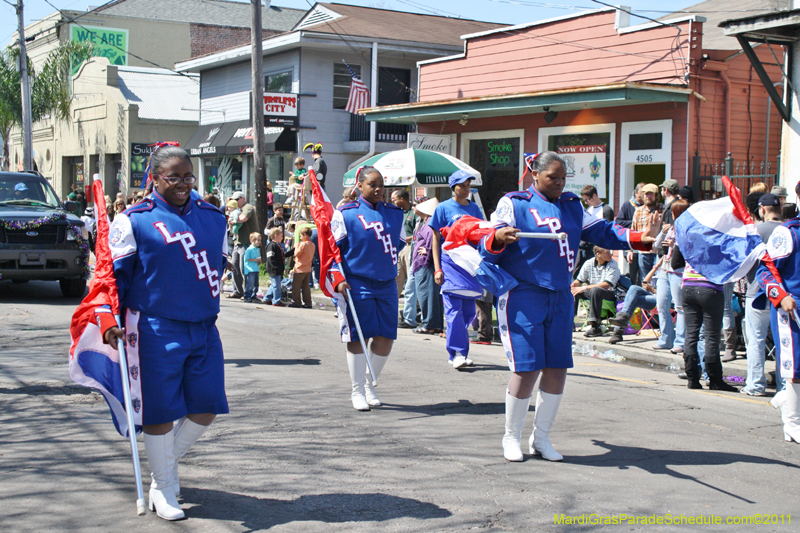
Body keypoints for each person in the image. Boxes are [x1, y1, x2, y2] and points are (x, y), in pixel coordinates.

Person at [479, 151, 658, 462]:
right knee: (527, 368)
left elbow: (604, 232)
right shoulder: (515, 203)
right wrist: (498, 236)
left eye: (564, 178)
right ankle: (511, 437)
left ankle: (542, 438)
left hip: (562, 295)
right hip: (523, 294)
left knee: (557, 367)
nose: (560, 183)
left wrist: (639, 237)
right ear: (535, 174)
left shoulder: (573, 205)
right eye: (553, 178)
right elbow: (487, 243)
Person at [100, 145, 228, 520]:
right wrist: (109, 319)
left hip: (204, 326)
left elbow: (216, 267)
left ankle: (162, 472)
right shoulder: (132, 220)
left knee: (206, 407)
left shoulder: (214, 217)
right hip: (154, 326)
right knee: (160, 411)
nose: (183, 184)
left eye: (188, 176)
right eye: (173, 177)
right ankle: (165, 488)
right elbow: (111, 279)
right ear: (154, 179)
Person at [330, 166, 404, 410]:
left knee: (386, 336)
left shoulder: (395, 214)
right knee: (359, 335)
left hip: (386, 283)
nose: (379, 189)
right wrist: (338, 278)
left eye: (382, 184)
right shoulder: (346, 213)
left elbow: (399, 244)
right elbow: (332, 252)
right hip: (357, 282)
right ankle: (356, 390)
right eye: (373, 184)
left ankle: (369, 384)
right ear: (359, 186)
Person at [429, 170, 485, 369]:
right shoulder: (443, 208)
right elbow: (435, 238)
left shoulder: (475, 209)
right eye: (462, 185)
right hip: (450, 262)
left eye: (469, 184)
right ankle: (456, 352)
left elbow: (480, 235)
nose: (467, 188)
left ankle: (460, 351)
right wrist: (437, 268)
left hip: (468, 263)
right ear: (453, 187)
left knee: (469, 311)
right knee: (454, 310)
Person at [757, 184, 800, 442]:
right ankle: (792, 424)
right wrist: (780, 296)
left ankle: (785, 398)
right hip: (791, 309)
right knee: (795, 368)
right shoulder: (787, 232)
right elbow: (765, 270)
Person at [671, 243, 738, 392]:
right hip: (710, 287)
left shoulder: (687, 234)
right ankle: (714, 379)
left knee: (691, 334)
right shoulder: (718, 236)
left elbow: (675, 263)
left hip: (688, 285)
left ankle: (692, 378)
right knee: (711, 335)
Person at [742, 193, 783, 396]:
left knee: (756, 340)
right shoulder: (789, 230)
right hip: (782, 294)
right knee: (782, 340)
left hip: (757, 291)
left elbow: (744, 260)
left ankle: (755, 385)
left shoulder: (755, 230)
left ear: (762, 209)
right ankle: (784, 386)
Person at [652, 199, 689, 352]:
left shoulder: (687, 230)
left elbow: (688, 252)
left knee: (680, 307)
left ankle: (680, 342)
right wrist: (663, 232)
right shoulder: (672, 229)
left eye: (673, 212)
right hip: (664, 270)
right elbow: (655, 246)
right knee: (661, 305)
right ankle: (666, 338)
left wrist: (674, 245)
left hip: (678, 272)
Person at [607, 259, 661, 344]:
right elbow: (645, 282)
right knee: (633, 289)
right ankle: (622, 318)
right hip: (653, 297)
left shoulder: (675, 273)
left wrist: (653, 290)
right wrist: (656, 267)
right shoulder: (664, 270)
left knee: (633, 298)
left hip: (664, 300)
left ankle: (618, 331)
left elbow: (671, 295)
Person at [571, 246, 620, 337]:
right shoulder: (588, 263)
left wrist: (584, 288)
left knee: (595, 290)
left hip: (610, 294)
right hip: (593, 293)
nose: (611, 254)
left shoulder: (613, 264)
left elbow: (606, 285)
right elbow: (579, 281)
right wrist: (573, 285)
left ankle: (595, 326)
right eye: (607, 252)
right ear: (598, 254)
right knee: (573, 291)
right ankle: (570, 322)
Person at [411, 198, 444, 335]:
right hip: (424, 263)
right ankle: (433, 323)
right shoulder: (428, 221)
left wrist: (427, 251)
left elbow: (433, 239)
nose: (414, 208)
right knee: (429, 295)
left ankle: (429, 323)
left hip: (426, 263)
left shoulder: (430, 222)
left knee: (427, 294)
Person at [391, 189, 419, 328]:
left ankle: (412, 315)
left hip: (409, 247)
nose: (393, 202)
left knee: (411, 285)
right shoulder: (396, 213)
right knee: (396, 281)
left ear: (402, 199)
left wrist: (403, 238)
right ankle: (391, 315)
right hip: (397, 248)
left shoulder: (414, 213)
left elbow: (417, 234)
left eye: (394, 199)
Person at [629, 183, 662, 284]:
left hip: (658, 251)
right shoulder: (638, 211)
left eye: (651, 194)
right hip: (643, 252)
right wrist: (630, 250)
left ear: (656, 195)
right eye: (646, 194)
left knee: (658, 280)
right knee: (645, 280)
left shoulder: (662, 209)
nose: (648, 196)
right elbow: (633, 231)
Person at [228, 191, 259, 300]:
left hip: (247, 243)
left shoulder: (248, 207)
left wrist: (232, 220)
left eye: (236, 200)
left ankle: (248, 293)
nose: (234, 202)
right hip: (237, 242)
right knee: (234, 267)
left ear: (242, 198)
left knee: (244, 269)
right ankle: (237, 291)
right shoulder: (236, 210)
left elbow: (243, 218)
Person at [290, 226, 315, 308]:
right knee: (306, 287)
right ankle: (308, 303)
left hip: (300, 268)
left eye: (300, 236)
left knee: (296, 286)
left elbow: (296, 253)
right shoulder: (312, 245)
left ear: (305, 235)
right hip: (308, 268)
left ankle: (297, 302)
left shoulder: (303, 245)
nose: (300, 238)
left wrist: (297, 246)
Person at [262, 227, 286, 306]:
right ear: (275, 235)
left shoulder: (278, 246)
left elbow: (284, 255)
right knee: (276, 285)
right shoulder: (271, 245)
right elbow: (270, 258)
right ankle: (276, 300)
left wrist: (292, 251)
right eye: (281, 236)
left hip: (278, 269)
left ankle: (267, 298)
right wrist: (274, 267)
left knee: (274, 284)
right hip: (274, 269)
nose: (282, 238)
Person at [243, 232, 262, 303]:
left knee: (255, 284)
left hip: (256, 268)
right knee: (250, 284)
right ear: (252, 240)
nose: (259, 242)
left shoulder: (257, 249)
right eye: (258, 240)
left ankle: (254, 296)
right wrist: (255, 260)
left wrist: (259, 261)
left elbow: (258, 258)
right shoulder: (249, 249)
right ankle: (247, 296)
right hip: (250, 269)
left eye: (260, 240)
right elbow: (246, 258)